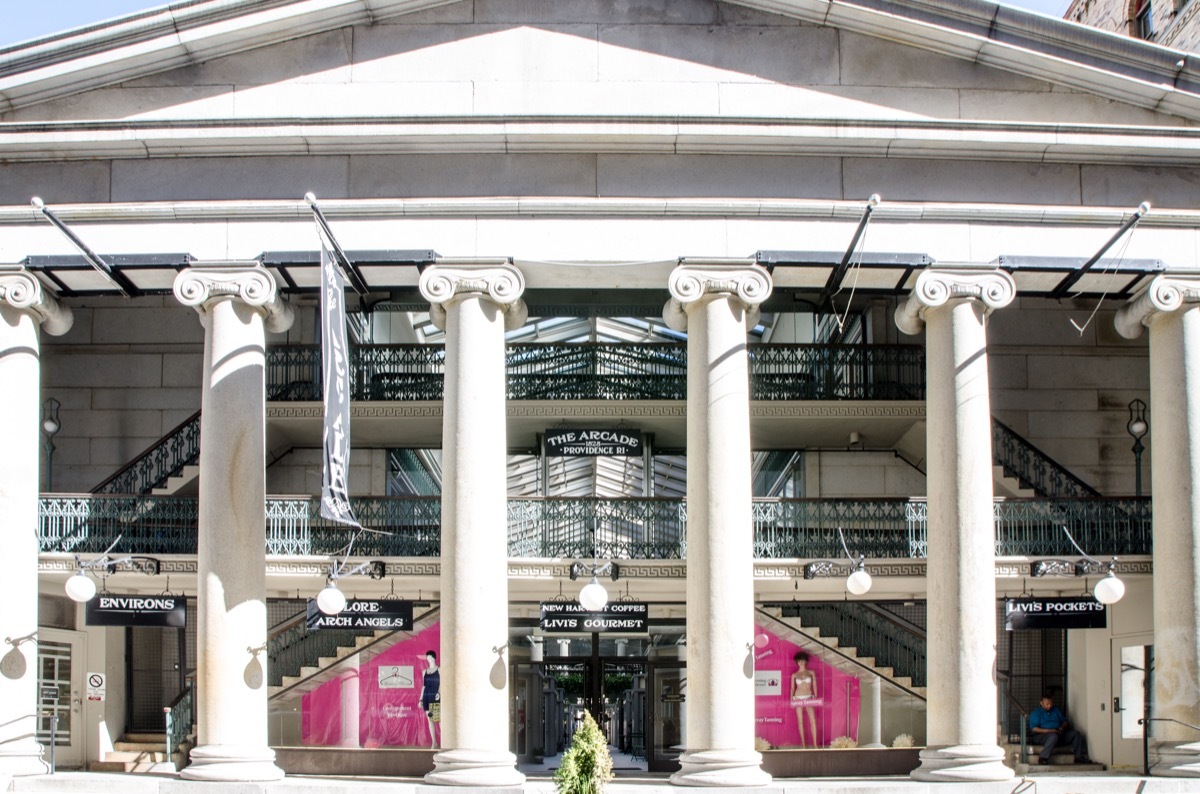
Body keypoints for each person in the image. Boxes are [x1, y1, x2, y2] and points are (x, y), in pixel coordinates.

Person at [1028, 692, 1089, 765]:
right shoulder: (1036, 713)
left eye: (1051, 704)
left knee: (1076, 734)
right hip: (1041, 735)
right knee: (1053, 736)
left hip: (1057, 733)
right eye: (1047, 704)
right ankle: (1043, 757)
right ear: (1041, 703)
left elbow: (1064, 721)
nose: (1049, 706)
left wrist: (1061, 727)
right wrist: (1049, 731)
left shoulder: (1056, 710)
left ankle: (1078, 757)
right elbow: (1034, 728)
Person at [790, 651, 822, 748]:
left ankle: (815, 745)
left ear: (806, 661)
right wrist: (791, 700)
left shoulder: (811, 672)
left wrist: (815, 695)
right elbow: (792, 688)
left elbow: (815, 685)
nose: (800, 662)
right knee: (800, 721)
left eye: (802, 660)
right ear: (797, 662)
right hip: (798, 697)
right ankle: (804, 745)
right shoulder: (794, 675)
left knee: (813, 720)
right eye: (799, 661)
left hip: (809, 697)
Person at [418, 650, 440, 748]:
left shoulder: (439, 670)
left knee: (439, 720)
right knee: (430, 720)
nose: (429, 659)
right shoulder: (424, 672)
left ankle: (445, 742)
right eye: (427, 658)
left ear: (434, 658)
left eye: (430, 657)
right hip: (427, 696)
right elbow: (423, 686)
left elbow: (442, 683)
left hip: (435, 696)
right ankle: (434, 742)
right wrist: (420, 700)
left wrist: (439, 693)